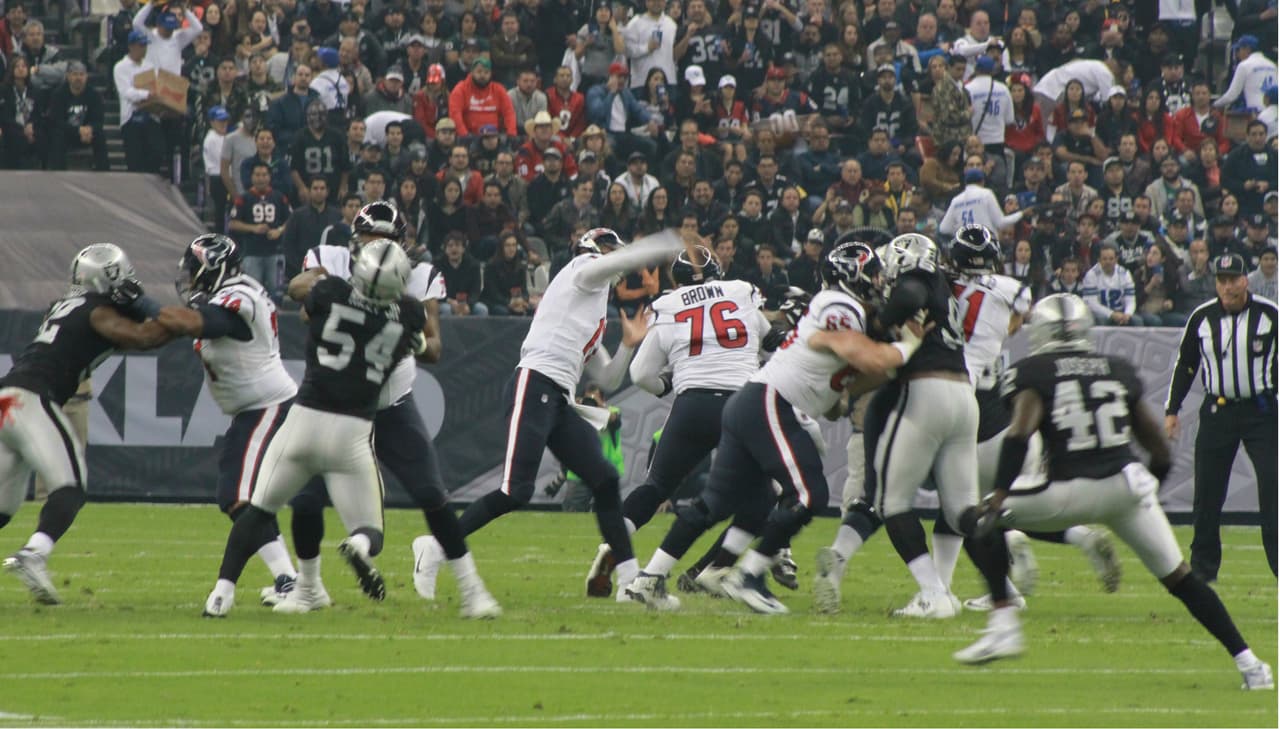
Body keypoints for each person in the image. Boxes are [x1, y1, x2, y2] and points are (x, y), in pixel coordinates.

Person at [979, 293, 1274, 686]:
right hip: (1127, 486)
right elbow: (1159, 449)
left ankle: (1003, 620)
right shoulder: (1114, 368)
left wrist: (999, 496)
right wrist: (1148, 494)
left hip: (1070, 488)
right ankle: (1252, 665)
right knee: (1182, 579)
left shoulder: (1032, 371)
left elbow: (1018, 437)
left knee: (974, 518)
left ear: (1042, 332)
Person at [623, 240, 927, 614]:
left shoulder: (845, 311)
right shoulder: (840, 306)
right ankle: (749, 575)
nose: (879, 282)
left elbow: (842, 396)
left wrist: (867, 377)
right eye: (873, 275)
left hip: (752, 402)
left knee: (737, 502)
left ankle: (654, 577)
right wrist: (909, 347)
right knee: (809, 493)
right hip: (767, 402)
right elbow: (869, 358)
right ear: (853, 277)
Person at [414, 228, 690, 603]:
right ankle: (435, 546)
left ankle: (628, 582)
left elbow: (608, 378)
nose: (615, 257)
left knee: (605, 479)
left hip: (558, 396)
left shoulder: (589, 305)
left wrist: (627, 346)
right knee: (516, 490)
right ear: (593, 248)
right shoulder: (581, 268)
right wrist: (663, 244)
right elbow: (612, 263)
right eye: (609, 249)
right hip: (535, 382)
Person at [286, 204, 499, 617]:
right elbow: (300, 297)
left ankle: (472, 590)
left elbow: (433, 348)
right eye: (372, 240)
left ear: (402, 243)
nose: (379, 248)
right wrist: (332, 286)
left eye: (387, 240)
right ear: (355, 241)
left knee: (432, 494)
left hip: (390, 403)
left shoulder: (418, 277)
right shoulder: (332, 261)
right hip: (338, 404)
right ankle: (307, 588)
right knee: (307, 499)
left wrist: (407, 334)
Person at [199, 240, 426, 617]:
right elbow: (418, 342)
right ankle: (358, 546)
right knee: (371, 529)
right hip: (352, 433)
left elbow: (306, 304)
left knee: (259, 509)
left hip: (304, 420)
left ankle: (221, 594)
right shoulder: (409, 314)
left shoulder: (331, 291)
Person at [585, 245, 770, 595]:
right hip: (741, 406)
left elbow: (641, 373)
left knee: (656, 487)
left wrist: (666, 385)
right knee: (762, 495)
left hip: (692, 406)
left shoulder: (670, 305)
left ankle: (614, 546)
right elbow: (771, 343)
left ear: (677, 280)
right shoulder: (740, 292)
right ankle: (711, 570)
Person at [0, 244, 174, 604]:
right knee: (71, 486)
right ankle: (34, 553)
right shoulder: (97, 312)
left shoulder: (66, 306)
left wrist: (138, 308)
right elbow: (144, 338)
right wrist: (168, 316)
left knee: (2, 508)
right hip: (32, 398)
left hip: (7, 397)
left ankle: (34, 552)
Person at [158, 235, 300, 605]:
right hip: (256, 408)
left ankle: (285, 581)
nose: (189, 277)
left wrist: (145, 307)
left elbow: (206, 324)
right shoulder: (230, 292)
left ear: (214, 267)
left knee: (236, 495)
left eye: (194, 269)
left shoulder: (238, 296)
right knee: (251, 498)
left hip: (268, 405)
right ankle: (288, 579)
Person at [1165, 253, 1278, 583]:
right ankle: (1203, 570)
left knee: (1273, 488)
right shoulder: (1202, 317)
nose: (1228, 287)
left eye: (1233, 280)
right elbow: (1186, 365)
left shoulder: (1270, 314)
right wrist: (1172, 410)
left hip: (1261, 411)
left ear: (1245, 280)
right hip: (1218, 411)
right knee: (1207, 492)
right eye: (1222, 280)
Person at [229, 161, 291, 301]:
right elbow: (232, 224)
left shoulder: (279, 197)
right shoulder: (243, 199)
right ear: (252, 177)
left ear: (269, 177)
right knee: (252, 292)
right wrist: (253, 228)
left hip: (275, 252)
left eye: (264, 175)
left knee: (276, 292)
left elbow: (291, 220)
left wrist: (279, 230)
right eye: (257, 175)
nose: (261, 178)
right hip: (252, 252)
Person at [114, 29, 163, 174]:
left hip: (150, 116)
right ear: (131, 46)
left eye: (145, 45)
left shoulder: (149, 66)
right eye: (141, 45)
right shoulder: (120, 67)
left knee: (156, 154)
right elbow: (126, 92)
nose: (144, 49)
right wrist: (146, 94)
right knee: (135, 161)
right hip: (131, 118)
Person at [44, 61, 107, 171]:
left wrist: (90, 129)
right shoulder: (58, 94)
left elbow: (99, 120)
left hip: (86, 134)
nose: (78, 78)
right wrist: (78, 130)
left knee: (100, 135)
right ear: (68, 76)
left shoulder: (94, 95)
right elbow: (56, 121)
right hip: (67, 133)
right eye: (75, 74)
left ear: (86, 76)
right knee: (57, 135)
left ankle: (103, 171)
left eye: (81, 74)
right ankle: (58, 171)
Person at [938, 169, 1023, 237]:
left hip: (965, 246)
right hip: (985, 244)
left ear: (966, 183)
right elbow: (1000, 222)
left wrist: (960, 230)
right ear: (982, 181)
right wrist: (1022, 213)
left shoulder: (956, 200)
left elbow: (944, 228)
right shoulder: (986, 194)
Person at [1082, 243, 1138, 326]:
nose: (1108, 262)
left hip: (1121, 312)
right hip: (1100, 313)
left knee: (1137, 321)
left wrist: (1127, 314)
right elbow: (1092, 303)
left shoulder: (1125, 273)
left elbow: (1130, 300)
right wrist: (1111, 314)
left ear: (1116, 259)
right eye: (1104, 259)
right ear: (1099, 260)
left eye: (1111, 259)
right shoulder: (1091, 275)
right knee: (1103, 320)